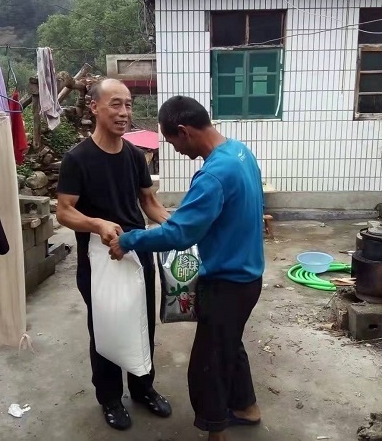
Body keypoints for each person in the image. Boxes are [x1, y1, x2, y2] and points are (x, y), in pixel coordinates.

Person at [109, 96, 265, 441]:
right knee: (228, 345)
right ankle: (246, 407)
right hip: (248, 276)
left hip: (227, 283)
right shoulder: (239, 152)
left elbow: (181, 235)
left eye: (172, 142)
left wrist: (129, 240)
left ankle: (215, 432)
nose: (176, 150)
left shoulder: (213, 175)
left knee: (208, 365)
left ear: (184, 131)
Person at [56, 78, 172, 431]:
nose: (124, 112)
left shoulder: (135, 156)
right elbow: (64, 211)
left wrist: (180, 227)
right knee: (105, 328)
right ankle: (109, 397)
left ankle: (143, 387)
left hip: (137, 253)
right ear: (94, 107)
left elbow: (149, 201)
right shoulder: (77, 158)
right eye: (116, 104)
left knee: (141, 322)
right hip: (99, 259)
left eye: (128, 105)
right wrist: (96, 223)